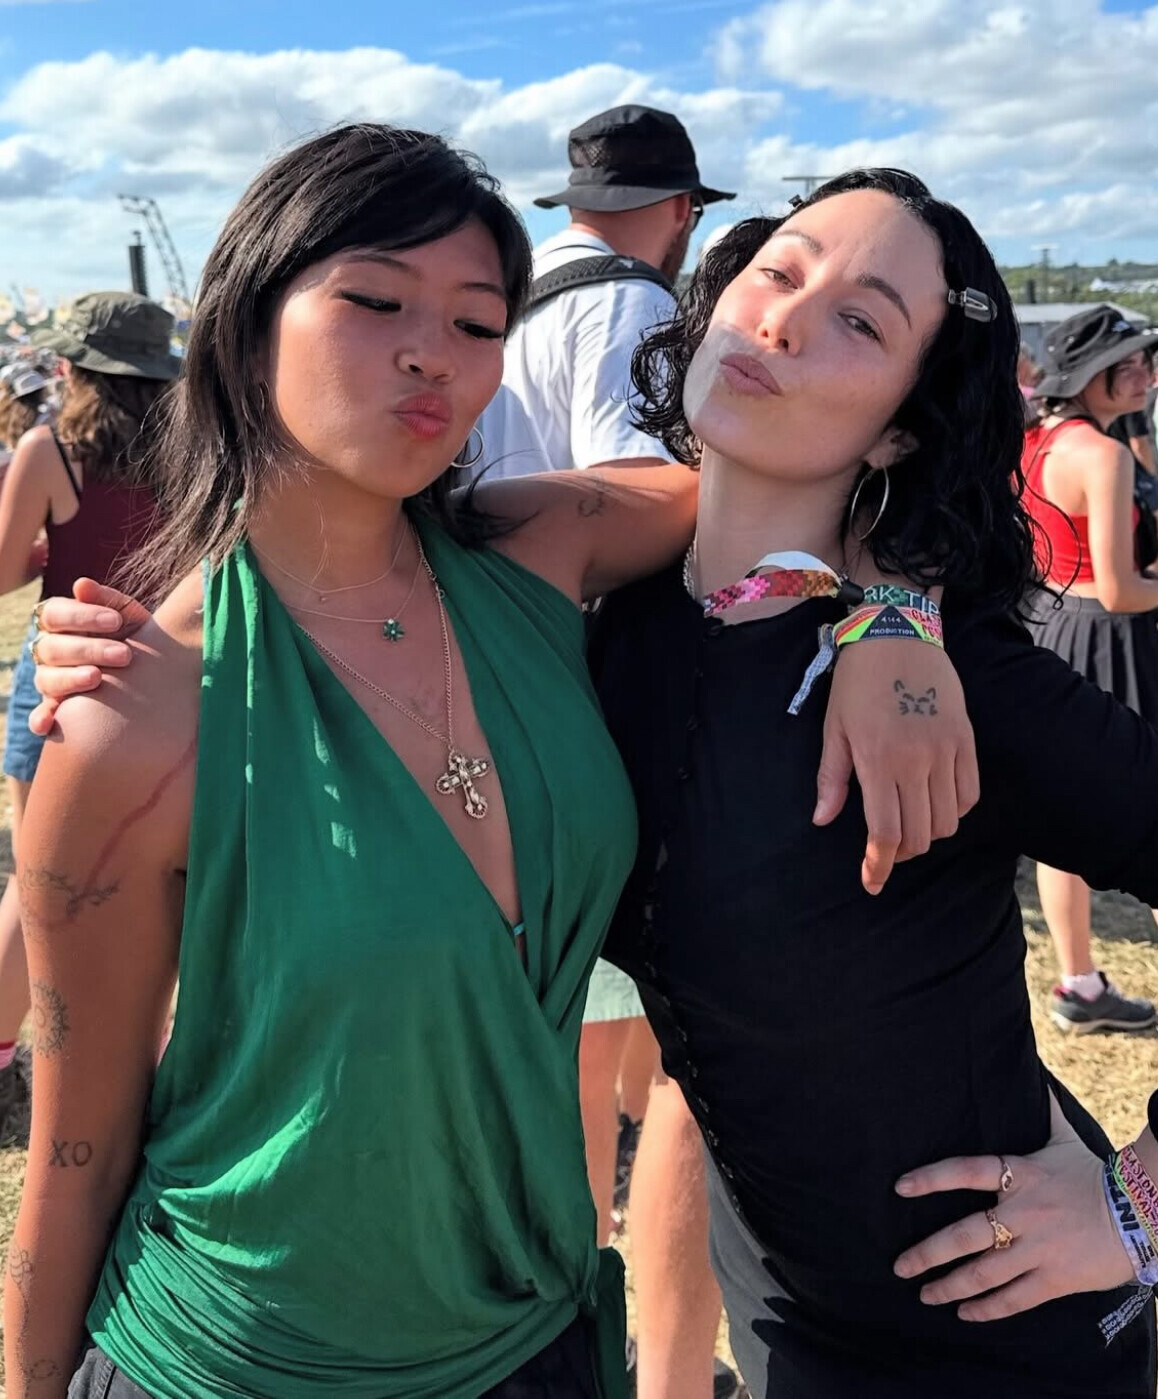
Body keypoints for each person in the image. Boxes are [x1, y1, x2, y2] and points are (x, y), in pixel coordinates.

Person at [6, 128, 971, 1399]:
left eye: (475, 321)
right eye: (375, 300)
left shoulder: (539, 545)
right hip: (236, 1359)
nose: (433, 353)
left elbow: (802, 466)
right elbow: (76, 1146)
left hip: (539, 1333)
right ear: (244, 324)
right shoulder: (140, 712)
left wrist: (893, 619)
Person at [578, 169, 1158, 1396]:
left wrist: (1140, 1200)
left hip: (994, 1334)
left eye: (861, 320)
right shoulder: (614, 628)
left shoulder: (957, 679)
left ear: (902, 424)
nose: (784, 320)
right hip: (781, 1310)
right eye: (778, 272)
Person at [477, 102, 739, 1399]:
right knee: (647, 1053)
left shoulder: (511, 310)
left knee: (569, 1048)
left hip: (497, 696)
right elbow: (639, 511)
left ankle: (571, 1313)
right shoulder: (632, 308)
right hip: (597, 706)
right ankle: (629, 1344)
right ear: (679, 211)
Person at [0, 295, 170, 1150]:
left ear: (70, 368)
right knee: (156, 887)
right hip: (162, 676)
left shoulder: (50, 450)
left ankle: (4, 1052)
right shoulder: (192, 447)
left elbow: (4, 569)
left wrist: (47, 548)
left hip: (61, 670)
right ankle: (143, 1060)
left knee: (36, 881)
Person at [1019, 305, 1158, 1033]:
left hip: (1050, 624)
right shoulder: (1102, 455)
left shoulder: (1036, 438)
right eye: (1123, 364)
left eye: (1145, 361)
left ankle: (1078, 983)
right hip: (1112, 636)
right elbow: (1120, 588)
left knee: (1062, 821)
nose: (1143, 375)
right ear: (1085, 376)